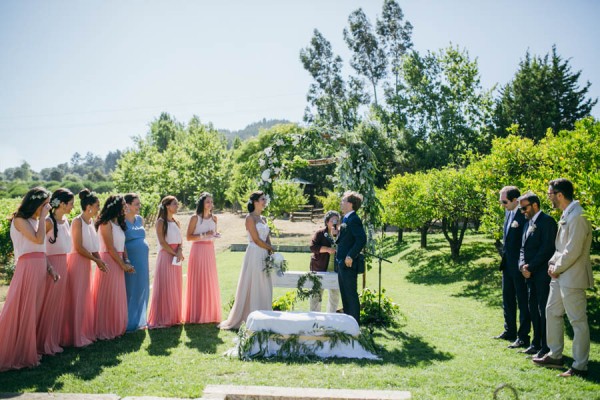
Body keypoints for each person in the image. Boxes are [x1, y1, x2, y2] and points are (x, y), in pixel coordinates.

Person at [533, 178, 594, 378]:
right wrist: (553, 264)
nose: (548, 197)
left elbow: (573, 250)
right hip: (560, 274)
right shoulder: (568, 214)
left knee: (577, 321)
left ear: (559, 195)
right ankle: (555, 355)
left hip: (573, 276)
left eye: (550, 194)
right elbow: (561, 248)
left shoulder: (578, 216)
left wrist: (556, 267)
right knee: (552, 311)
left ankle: (579, 365)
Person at [0, 187, 58, 371]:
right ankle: (19, 352)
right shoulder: (20, 220)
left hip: (40, 266)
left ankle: (28, 348)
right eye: (45, 204)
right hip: (27, 268)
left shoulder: (34, 220)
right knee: (23, 309)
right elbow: (37, 239)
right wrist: (43, 217)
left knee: (33, 310)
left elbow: (41, 250)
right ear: (36, 203)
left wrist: (50, 267)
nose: (47, 207)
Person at [219, 191, 274, 330]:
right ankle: (249, 315)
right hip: (254, 253)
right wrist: (269, 248)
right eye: (262, 199)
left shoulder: (264, 218)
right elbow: (255, 239)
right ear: (255, 202)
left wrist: (270, 250)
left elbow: (266, 236)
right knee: (253, 282)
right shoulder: (250, 218)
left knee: (264, 282)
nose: (265, 201)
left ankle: (265, 314)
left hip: (264, 253)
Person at [62, 189, 105, 347]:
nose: (99, 209)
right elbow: (78, 247)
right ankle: (75, 336)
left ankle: (84, 332)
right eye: (97, 206)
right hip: (77, 261)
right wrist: (96, 260)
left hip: (86, 262)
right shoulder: (77, 221)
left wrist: (99, 260)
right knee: (77, 298)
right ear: (88, 207)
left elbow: (93, 246)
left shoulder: (90, 222)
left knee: (84, 297)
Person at [517, 192, 557, 357]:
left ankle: (546, 346)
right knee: (532, 309)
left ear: (535, 205)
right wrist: (522, 266)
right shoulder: (527, 223)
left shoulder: (547, 222)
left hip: (542, 275)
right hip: (530, 275)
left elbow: (547, 248)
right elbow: (522, 248)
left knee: (543, 310)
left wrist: (530, 267)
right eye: (521, 209)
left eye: (524, 208)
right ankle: (535, 343)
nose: (522, 212)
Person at [37, 188, 74, 356]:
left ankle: (55, 339)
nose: (73, 207)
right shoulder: (48, 222)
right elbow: (38, 246)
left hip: (64, 263)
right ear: (63, 204)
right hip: (51, 265)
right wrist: (49, 266)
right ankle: (44, 342)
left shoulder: (66, 220)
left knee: (59, 304)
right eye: (71, 204)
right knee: (49, 304)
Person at [493, 186, 531, 349]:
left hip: (519, 264)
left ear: (516, 200)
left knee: (522, 301)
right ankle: (509, 331)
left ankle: (523, 337)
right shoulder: (508, 213)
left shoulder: (523, 215)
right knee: (507, 298)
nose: (502, 204)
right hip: (507, 263)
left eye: (505, 201)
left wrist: (523, 263)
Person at [93, 195, 134, 340]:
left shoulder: (119, 223)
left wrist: (127, 260)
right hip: (109, 261)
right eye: (124, 205)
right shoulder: (106, 223)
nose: (126, 207)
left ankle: (117, 327)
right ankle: (105, 328)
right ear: (116, 206)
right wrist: (122, 264)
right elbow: (110, 248)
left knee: (117, 294)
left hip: (118, 260)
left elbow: (122, 245)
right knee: (108, 294)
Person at [184, 192, 221, 324]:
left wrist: (215, 235)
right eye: (208, 202)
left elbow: (213, 234)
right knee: (198, 279)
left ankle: (210, 313)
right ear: (202, 203)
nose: (210, 204)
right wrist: (205, 234)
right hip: (198, 250)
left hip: (209, 250)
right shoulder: (195, 218)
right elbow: (188, 237)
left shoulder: (214, 218)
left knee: (209, 280)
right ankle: (197, 313)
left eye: (211, 202)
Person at [147, 196, 184, 328]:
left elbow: (180, 241)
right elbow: (162, 242)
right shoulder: (161, 222)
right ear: (167, 206)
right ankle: (163, 317)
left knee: (175, 286)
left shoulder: (176, 221)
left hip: (176, 257)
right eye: (175, 204)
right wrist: (175, 253)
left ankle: (174, 316)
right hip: (166, 256)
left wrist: (180, 251)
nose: (177, 206)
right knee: (166, 286)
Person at [336, 191, 366, 325]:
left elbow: (361, 239)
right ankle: (348, 325)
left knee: (351, 295)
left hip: (348, 263)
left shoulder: (354, 219)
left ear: (351, 204)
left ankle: (355, 325)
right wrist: (336, 234)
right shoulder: (346, 218)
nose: (341, 203)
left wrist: (350, 255)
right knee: (345, 294)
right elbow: (347, 240)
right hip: (342, 263)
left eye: (343, 201)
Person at [123, 193, 150, 332]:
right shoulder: (121, 220)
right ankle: (129, 321)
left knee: (143, 287)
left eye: (139, 204)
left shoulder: (139, 219)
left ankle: (141, 319)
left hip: (143, 260)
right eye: (136, 204)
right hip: (131, 259)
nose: (139, 206)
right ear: (127, 205)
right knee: (131, 289)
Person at [309, 210, 341, 313]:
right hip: (320, 268)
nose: (335, 222)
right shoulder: (320, 233)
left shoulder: (341, 234)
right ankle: (315, 319)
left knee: (335, 296)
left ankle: (331, 318)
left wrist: (338, 237)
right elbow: (313, 247)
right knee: (316, 296)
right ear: (327, 222)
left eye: (337, 220)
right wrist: (327, 249)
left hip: (335, 270)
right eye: (333, 220)